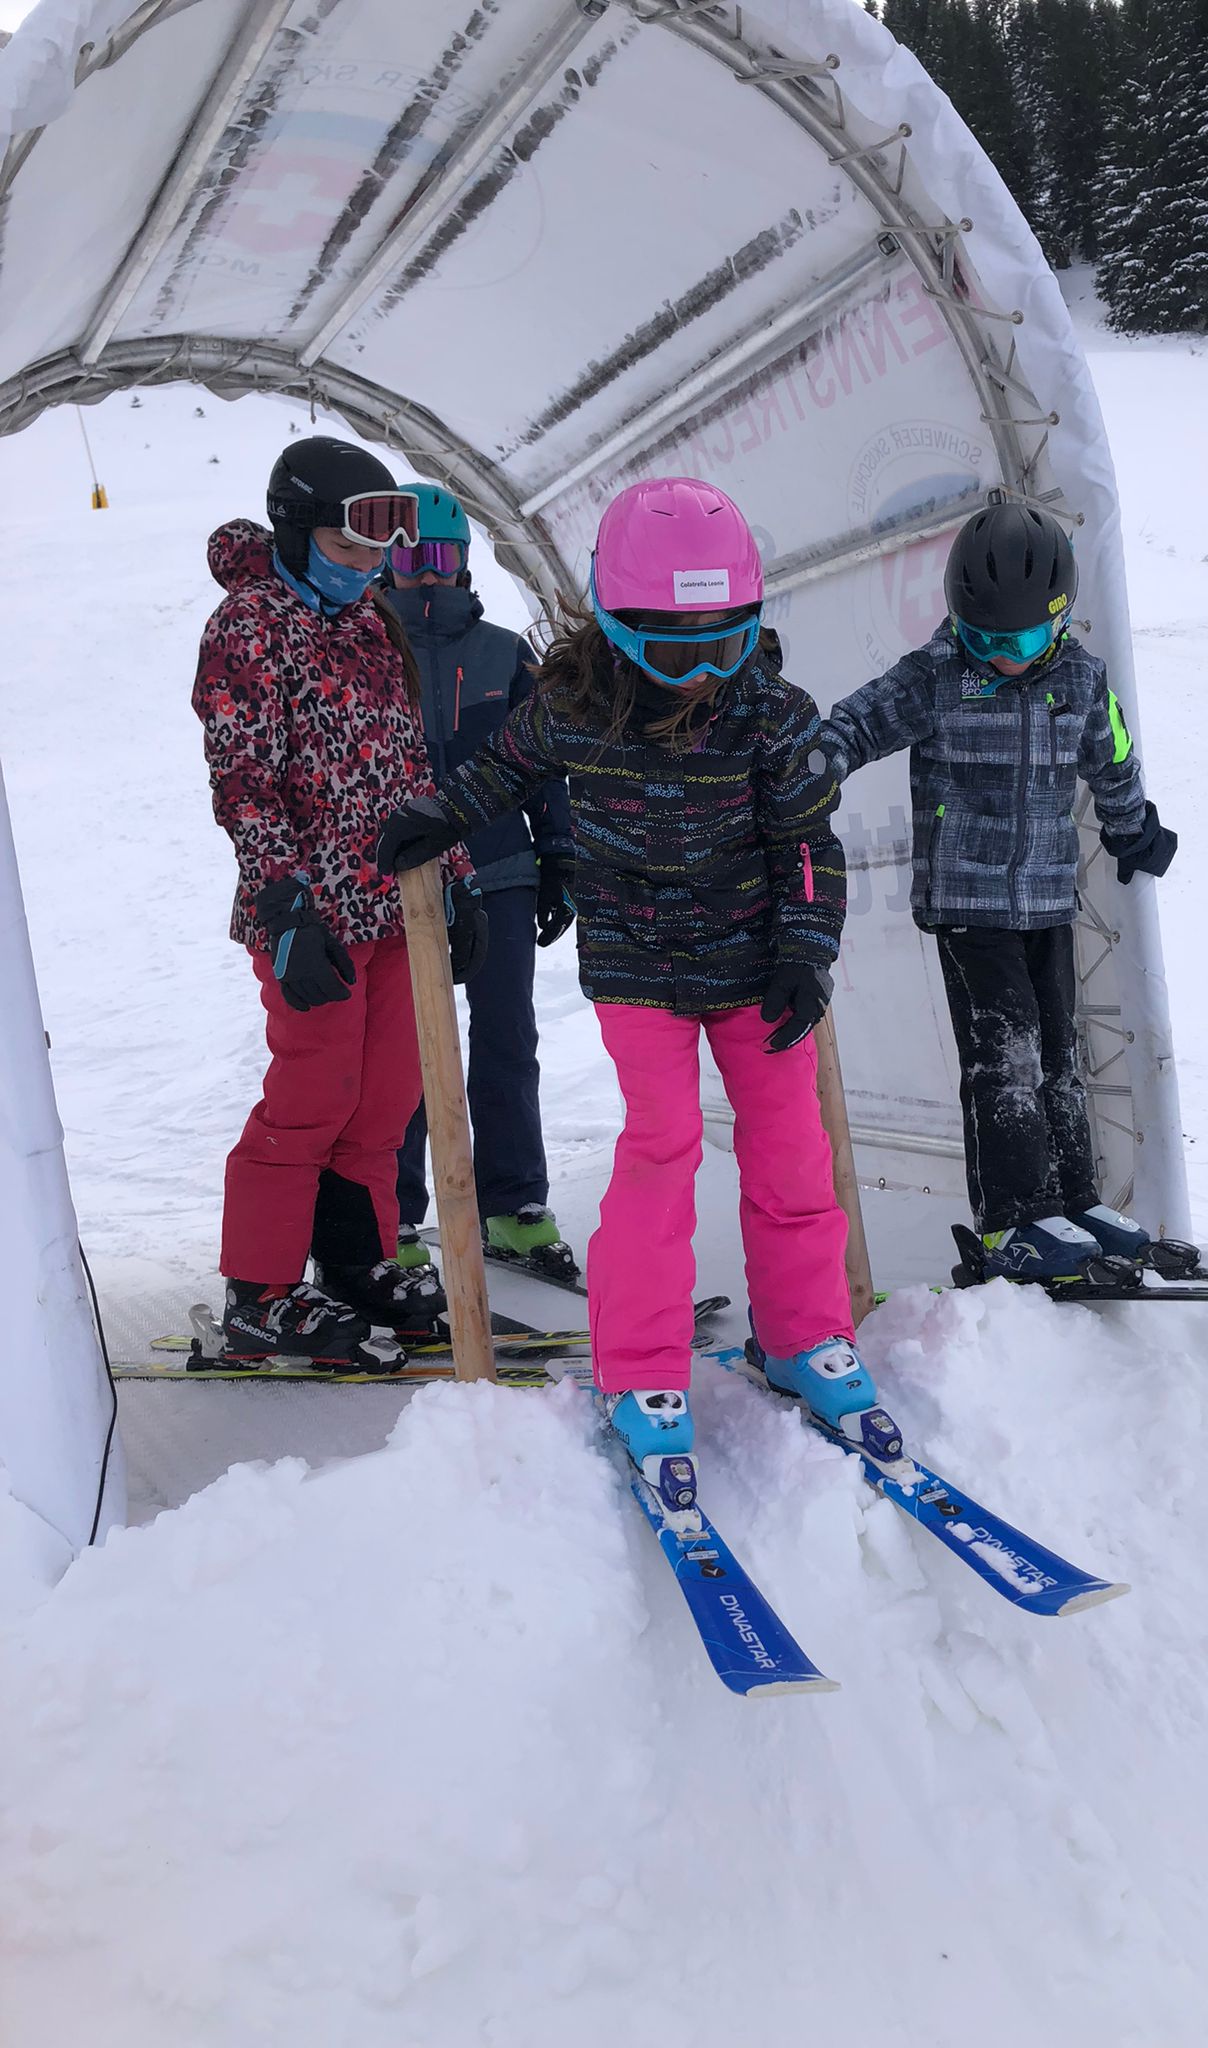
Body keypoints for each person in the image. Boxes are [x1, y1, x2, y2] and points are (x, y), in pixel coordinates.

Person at [375, 477, 898, 1500]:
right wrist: (441, 812)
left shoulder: (772, 715)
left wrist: (805, 949)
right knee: (662, 1146)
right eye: (671, 650)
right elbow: (503, 770)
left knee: (792, 1145)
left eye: (722, 645)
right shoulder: (574, 706)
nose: (699, 674)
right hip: (638, 966)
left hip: (755, 962)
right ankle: (643, 1367)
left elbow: (806, 844)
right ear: (616, 630)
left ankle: (804, 1334)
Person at [820, 501, 1178, 1284]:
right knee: (1004, 1059)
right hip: (967, 902)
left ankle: (1073, 1201)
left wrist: (1132, 829)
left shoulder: (1080, 679)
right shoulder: (939, 674)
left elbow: (1113, 759)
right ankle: (1013, 1221)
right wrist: (817, 762)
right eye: (982, 638)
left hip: (1046, 896)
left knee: (1057, 1056)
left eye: (1018, 642)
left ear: (1060, 620)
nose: (1000, 656)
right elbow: (858, 722)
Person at [193, 437, 489, 1366]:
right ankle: (260, 1290)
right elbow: (243, 782)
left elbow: (410, 770)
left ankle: (357, 1262)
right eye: (345, 544)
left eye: (376, 550)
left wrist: (459, 878)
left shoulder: (370, 624)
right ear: (293, 530)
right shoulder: (248, 624)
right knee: (312, 1096)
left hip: (397, 907)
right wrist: (284, 905)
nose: (364, 565)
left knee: (385, 1099)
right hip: (309, 914)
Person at [381, 482, 578, 1285]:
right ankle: (390, 1217)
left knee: (506, 1039)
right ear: (386, 564)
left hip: (498, 873)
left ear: (463, 562)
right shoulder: (366, 652)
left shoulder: (505, 654)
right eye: (410, 558)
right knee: (403, 1050)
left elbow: (546, 762)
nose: (427, 574)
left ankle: (513, 1205)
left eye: (440, 556)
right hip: (400, 885)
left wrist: (559, 855)